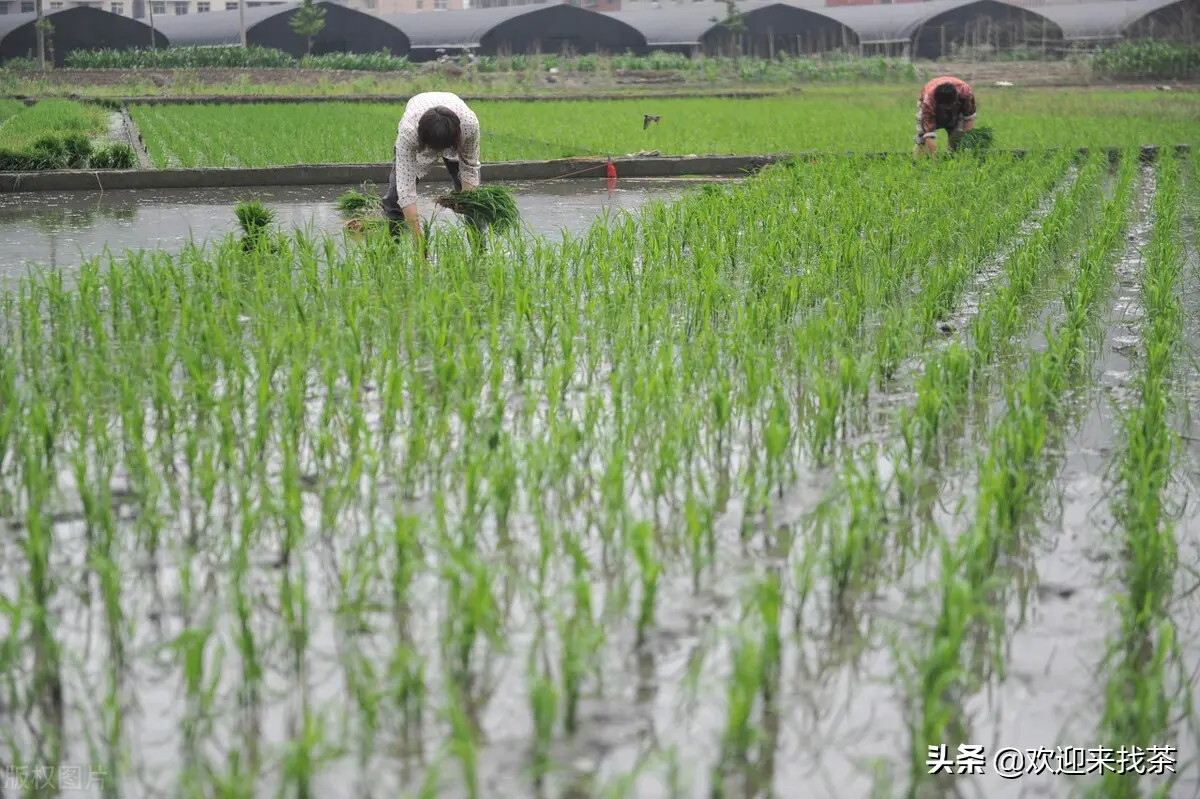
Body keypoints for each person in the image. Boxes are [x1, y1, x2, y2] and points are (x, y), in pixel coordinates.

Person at [381, 91, 482, 254]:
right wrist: (418, 237)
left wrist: (467, 200)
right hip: (419, 129)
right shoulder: (409, 132)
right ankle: (390, 252)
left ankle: (479, 250)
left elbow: (470, 167)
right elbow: (405, 189)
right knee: (394, 198)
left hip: (456, 134)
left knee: (475, 203)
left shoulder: (469, 126)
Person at [913, 77, 977, 159]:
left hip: (957, 107)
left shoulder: (966, 93)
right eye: (944, 107)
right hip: (930, 104)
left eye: (949, 106)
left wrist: (966, 140)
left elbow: (968, 118)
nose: (946, 109)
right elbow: (929, 134)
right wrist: (935, 160)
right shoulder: (928, 102)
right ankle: (916, 161)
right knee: (921, 139)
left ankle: (954, 158)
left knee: (957, 136)